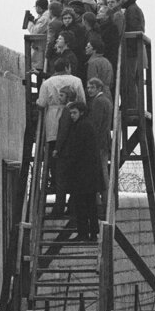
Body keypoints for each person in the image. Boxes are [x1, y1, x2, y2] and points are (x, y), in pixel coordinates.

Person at [62, 101, 104, 241]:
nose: (72, 115)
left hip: (82, 173)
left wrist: (69, 164)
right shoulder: (86, 125)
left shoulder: (81, 127)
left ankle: (84, 233)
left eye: (74, 113)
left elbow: (77, 149)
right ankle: (92, 233)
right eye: (71, 113)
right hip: (88, 173)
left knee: (82, 205)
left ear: (81, 112)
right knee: (90, 205)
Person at [36, 58, 85, 148]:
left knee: (54, 146)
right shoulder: (76, 81)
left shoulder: (47, 83)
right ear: (67, 68)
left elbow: (41, 104)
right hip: (72, 116)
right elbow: (82, 101)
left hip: (52, 118)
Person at [85, 77, 113, 212]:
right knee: (103, 171)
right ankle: (105, 201)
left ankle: (103, 202)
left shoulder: (98, 102)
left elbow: (96, 124)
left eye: (92, 87)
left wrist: (90, 142)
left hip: (99, 142)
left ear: (99, 88)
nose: (89, 90)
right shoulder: (106, 100)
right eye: (88, 87)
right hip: (105, 140)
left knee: (100, 172)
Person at [51, 85, 77, 217]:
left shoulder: (67, 110)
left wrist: (57, 148)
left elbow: (63, 130)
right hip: (72, 150)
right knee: (72, 180)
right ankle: (71, 206)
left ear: (68, 96)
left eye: (62, 95)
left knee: (60, 180)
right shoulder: (75, 109)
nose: (59, 97)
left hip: (65, 151)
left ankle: (58, 209)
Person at [60, 8, 87, 81]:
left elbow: (80, 43)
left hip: (77, 55)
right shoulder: (61, 28)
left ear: (73, 18)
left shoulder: (78, 28)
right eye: (65, 18)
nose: (67, 20)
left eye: (69, 18)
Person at [26, 0, 50, 72]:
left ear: (39, 7)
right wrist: (34, 21)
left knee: (40, 72)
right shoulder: (43, 16)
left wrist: (29, 22)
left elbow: (35, 31)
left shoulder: (45, 18)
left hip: (41, 49)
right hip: (40, 49)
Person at [44, 1, 64, 72]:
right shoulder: (62, 22)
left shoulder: (52, 24)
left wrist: (47, 54)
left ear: (51, 11)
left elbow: (50, 40)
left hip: (54, 53)